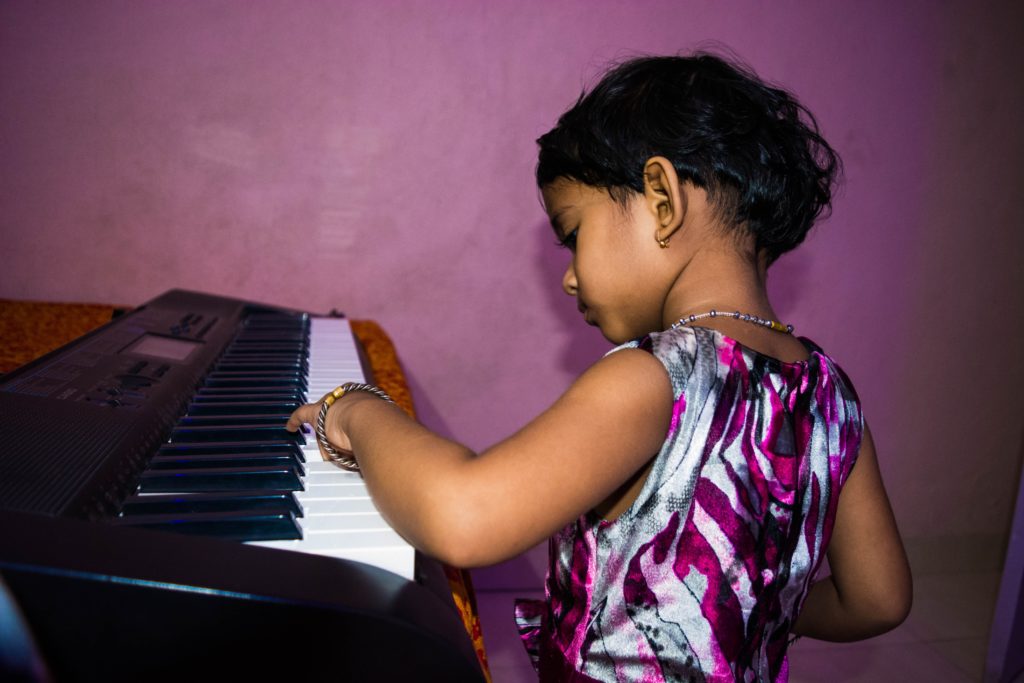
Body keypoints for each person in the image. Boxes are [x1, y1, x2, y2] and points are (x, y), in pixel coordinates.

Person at [287, 52, 912, 682]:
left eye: (573, 232)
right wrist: (746, 606)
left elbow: (463, 516)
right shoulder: (831, 393)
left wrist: (357, 410)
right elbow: (877, 599)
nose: (568, 276)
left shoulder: (653, 377)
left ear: (662, 201)